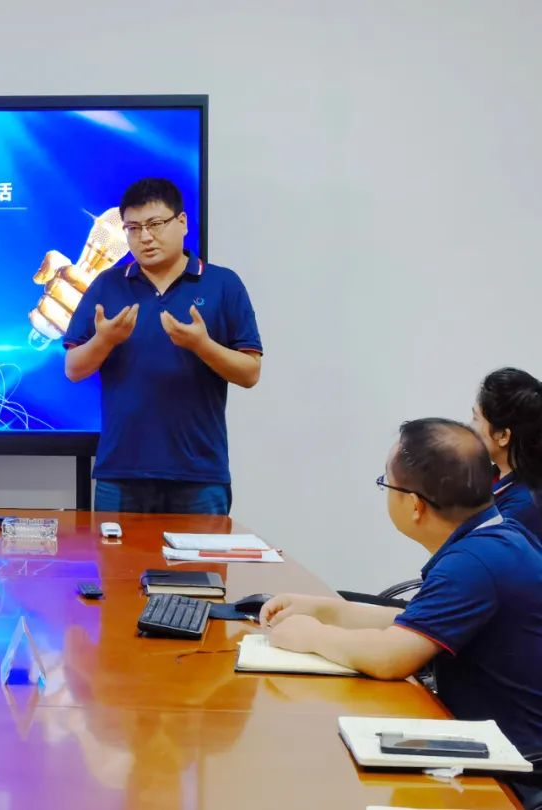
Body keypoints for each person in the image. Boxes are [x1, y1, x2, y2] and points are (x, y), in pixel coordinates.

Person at [261, 418, 542, 798]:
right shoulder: (496, 537)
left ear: (414, 505)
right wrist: (328, 610)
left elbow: (391, 657)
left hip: (515, 773)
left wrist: (312, 635)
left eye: (386, 484)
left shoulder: (474, 563)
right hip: (493, 744)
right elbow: (419, 624)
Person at [62, 178, 263, 514]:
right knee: (115, 553)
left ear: (182, 223)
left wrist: (202, 345)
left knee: (201, 553)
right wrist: (105, 340)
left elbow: (250, 373)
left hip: (199, 475)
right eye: (133, 228)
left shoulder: (222, 284)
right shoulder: (108, 285)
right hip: (121, 473)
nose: (145, 237)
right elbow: (73, 369)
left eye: (155, 224)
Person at [472, 366, 542, 540]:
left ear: (503, 435)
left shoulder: (520, 510)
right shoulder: (492, 477)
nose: (470, 428)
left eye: (475, 419)